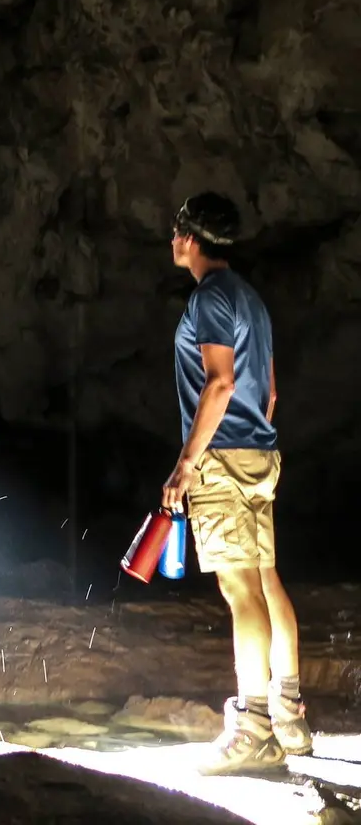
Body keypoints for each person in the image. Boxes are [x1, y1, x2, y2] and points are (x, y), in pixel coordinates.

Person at [163, 192, 312, 775]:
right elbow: (268, 393)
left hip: (224, 458)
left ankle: (252, 728)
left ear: (192, 238)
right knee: (267, 579)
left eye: (178, 231)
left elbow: (219, 383)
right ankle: (289, 715)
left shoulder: (209, 298)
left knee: (239, 591)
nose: (173, 240)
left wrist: (188, 463)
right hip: (259, 455)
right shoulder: (250, 298)